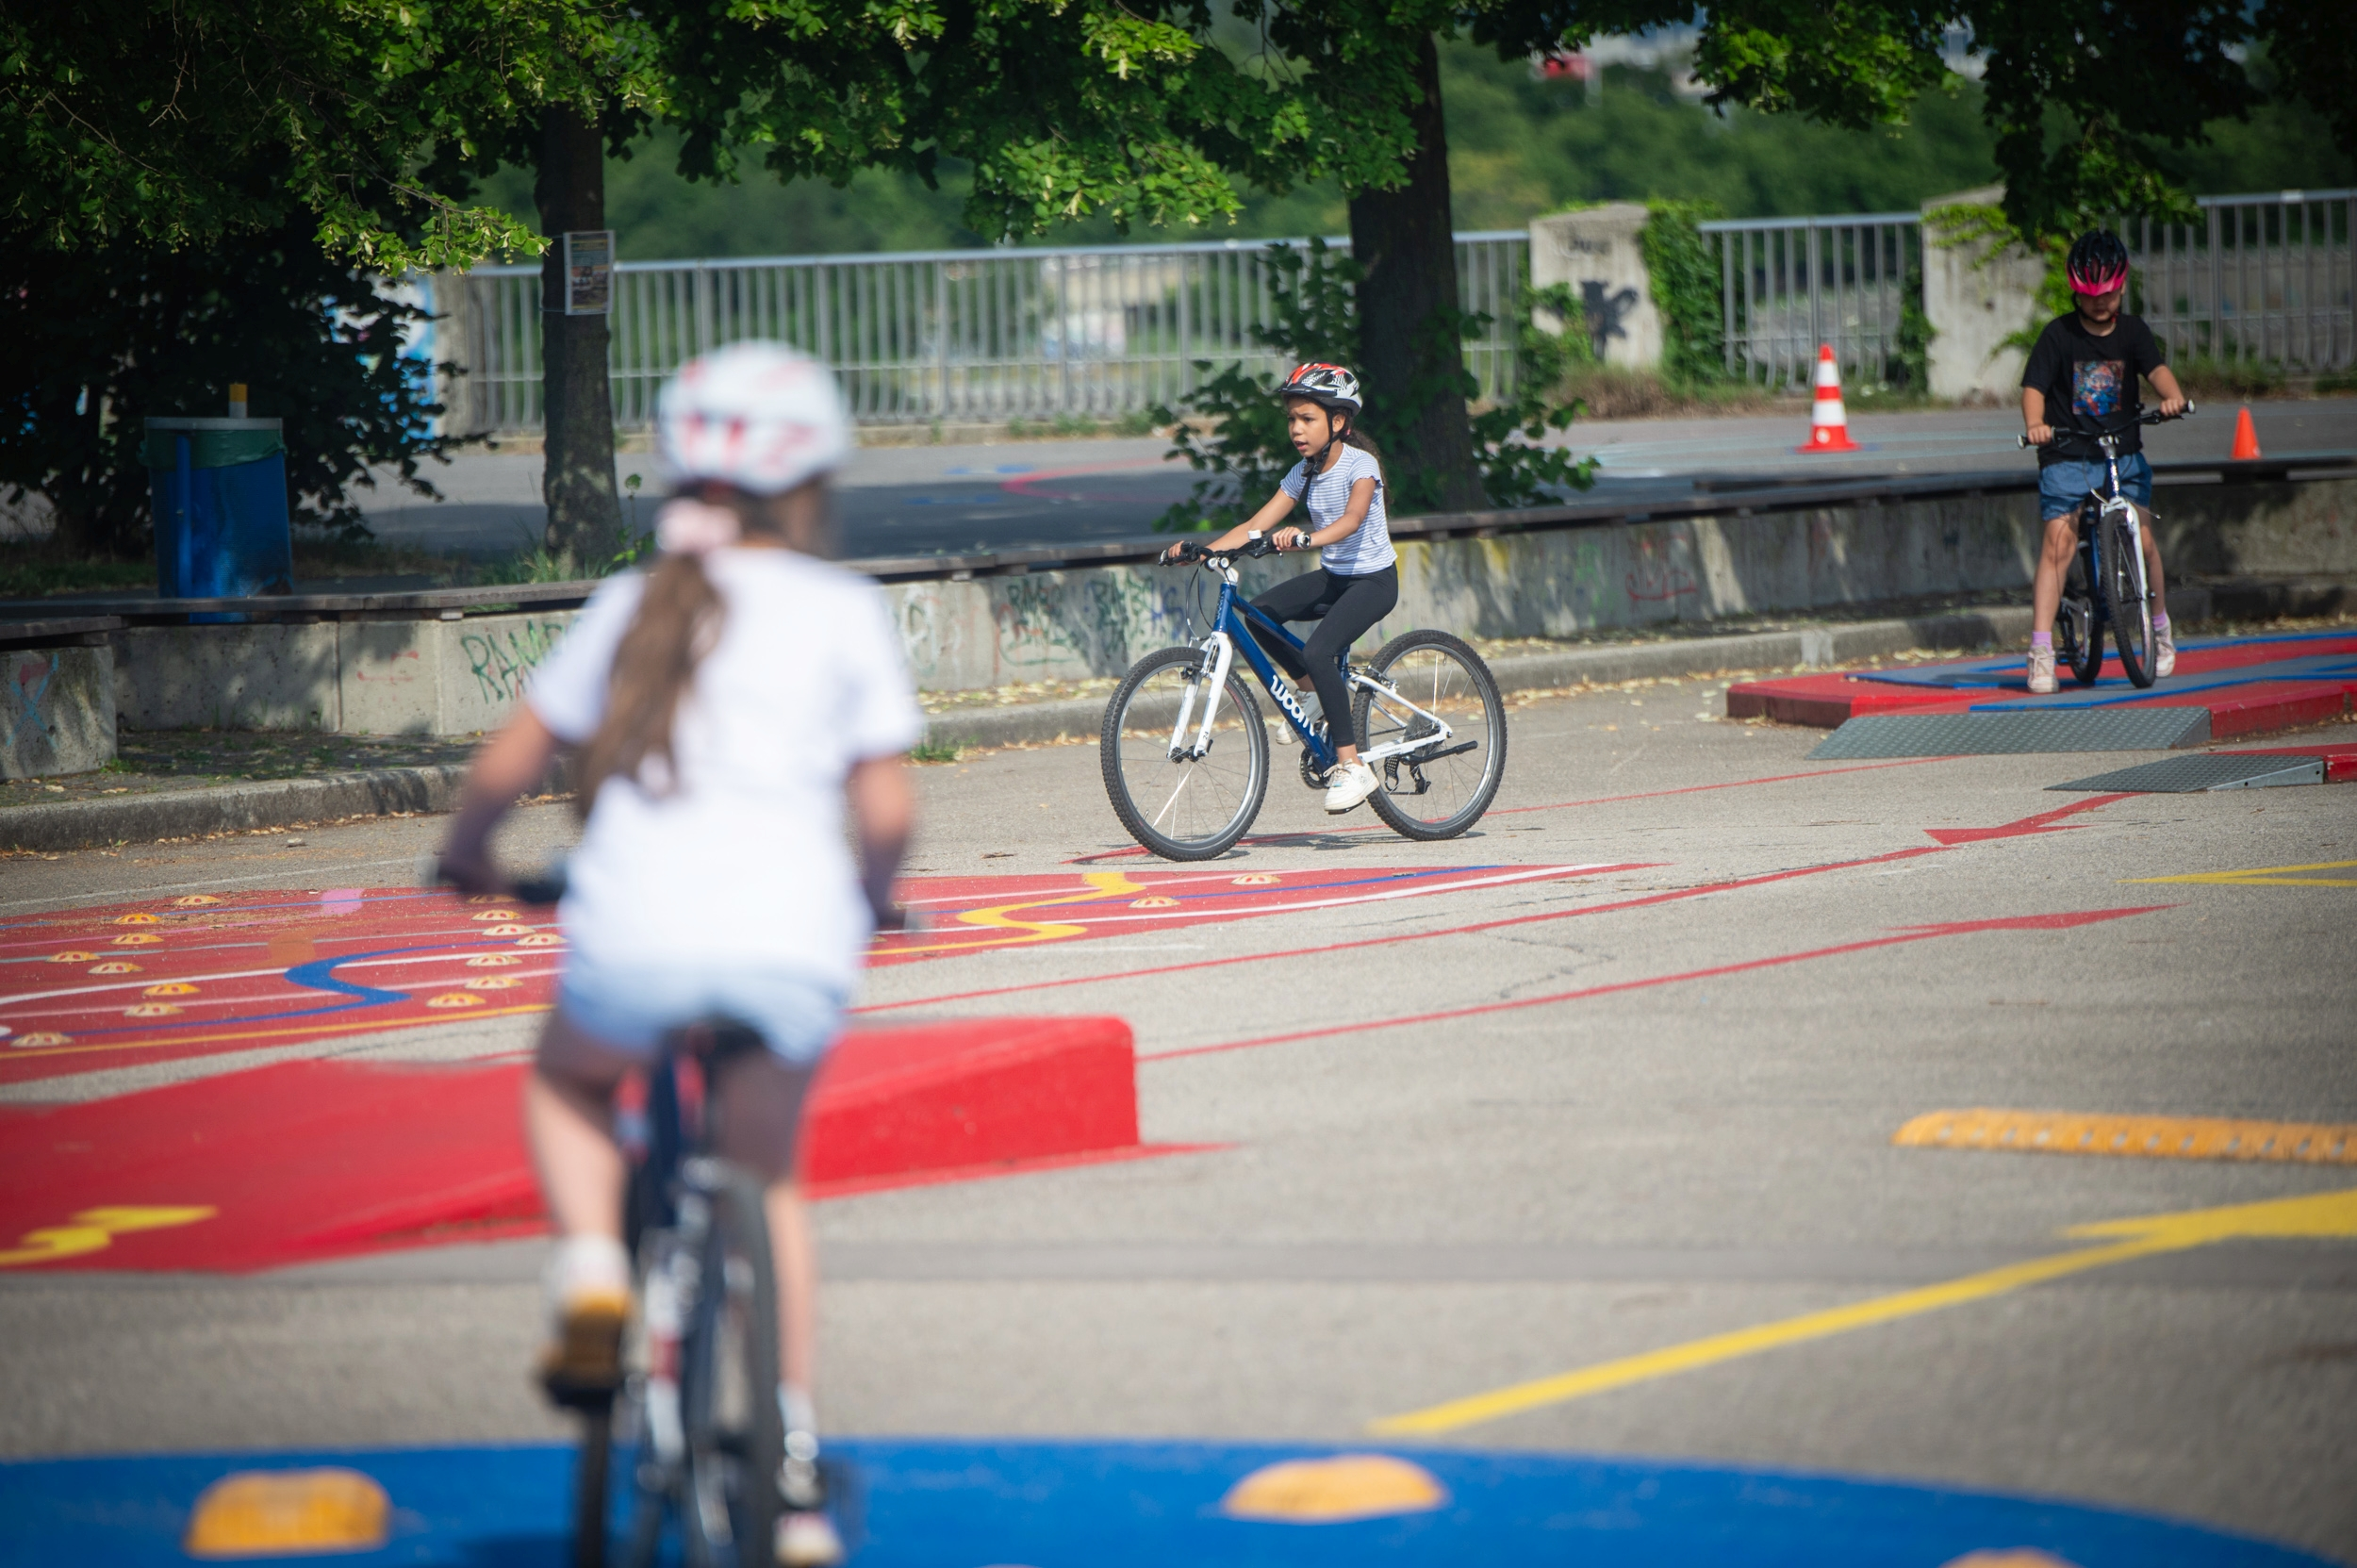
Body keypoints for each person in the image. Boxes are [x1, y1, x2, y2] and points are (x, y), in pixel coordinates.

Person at [437, 342, 919, 1568]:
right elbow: (886, 811)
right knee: (771, 1182)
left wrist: (468, 856)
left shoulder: (630, 603)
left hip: (635, 933)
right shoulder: (841, 610)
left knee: (569, 1081)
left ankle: (595, 1270)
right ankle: (793, 1472)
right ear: (813, 482)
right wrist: (872, 899)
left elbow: (507, 762)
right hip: (788, 940)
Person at [1160, 361, 1398, 813]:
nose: (1296, 429)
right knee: (1260, 615)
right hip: (1336, 578)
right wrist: (1204, 552)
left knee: (1319, 650)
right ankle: (1313, 693)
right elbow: (1255, 526)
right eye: (1292, 419)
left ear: (1339, 421)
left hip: (1373, 581)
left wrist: (1307, 538)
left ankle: (1352, 766)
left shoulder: (1360, 465)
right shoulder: (1303, 472)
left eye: (1307, 418)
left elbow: (1352, 520)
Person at [2020, 228, 2189, 693]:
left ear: (2123, 286)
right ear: (2075, 291)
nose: (2100, 303)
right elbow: (2033, 388)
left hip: (2122, 453)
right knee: (2057, 546)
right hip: (2067, 455)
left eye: (2109, 294)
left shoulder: (2133, 332)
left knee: (2145, 541)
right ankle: (2041, 652)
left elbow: (2156, 371)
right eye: (2091, 295)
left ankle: (2159, 627)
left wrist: (2172, 398)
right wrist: (2036, 424)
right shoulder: (2058, 335)